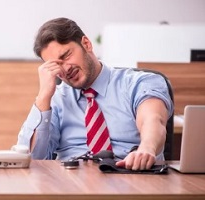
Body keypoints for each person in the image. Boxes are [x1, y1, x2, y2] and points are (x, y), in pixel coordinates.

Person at [17, 17, 173, 170]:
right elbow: (31, 158)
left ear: (86, 44)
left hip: (129, 176)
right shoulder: (56, 99)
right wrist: (43, 96)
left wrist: (146, 148)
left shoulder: (140, 83)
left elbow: (153, 120)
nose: (65, 69)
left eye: (65, 56)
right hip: (72, 184)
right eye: (55, 65)